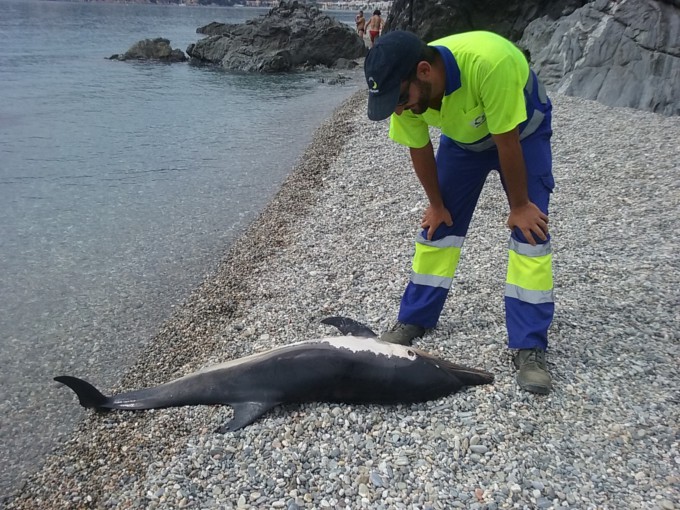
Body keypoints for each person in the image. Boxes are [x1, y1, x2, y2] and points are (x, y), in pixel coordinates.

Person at [363, 30, 555, 395]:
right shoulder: (405, 93)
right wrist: (437, 205)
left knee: (530, 232)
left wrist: (519, 206)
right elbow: (419, 148)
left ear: (424, 71)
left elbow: (507, 141)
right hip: (465, 140)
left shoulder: (488, 63)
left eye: (400, 100)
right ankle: (414, 318)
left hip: (522, 134)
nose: (399, 109)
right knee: (438, 229)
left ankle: (530, 346)